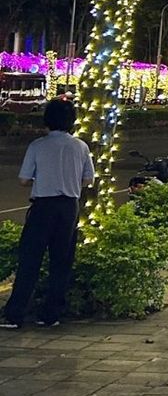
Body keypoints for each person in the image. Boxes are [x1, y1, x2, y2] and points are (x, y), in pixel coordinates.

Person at [2, 98, 94, 329]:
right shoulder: (81, 147)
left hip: (43, 206)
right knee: (61, 261)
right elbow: (88, 179)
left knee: (30, 260)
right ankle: (51, 314)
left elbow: (24, 179)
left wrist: (43, 179)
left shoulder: (38, 146)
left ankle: (15, 314)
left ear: (47, 120)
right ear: (72, 121)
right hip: (69, 208)